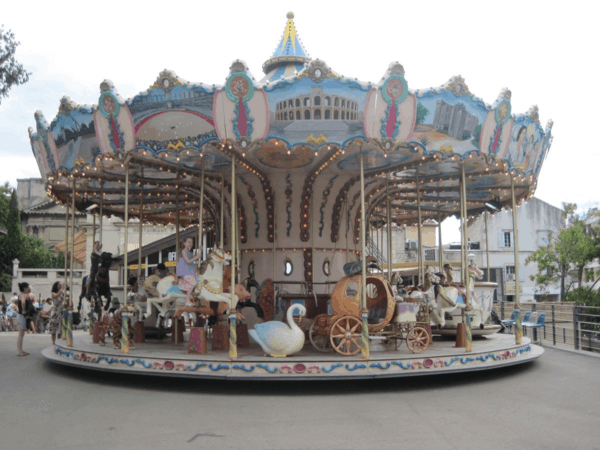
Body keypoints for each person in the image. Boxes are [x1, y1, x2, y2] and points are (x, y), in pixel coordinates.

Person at [16, 282, 32, 356]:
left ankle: (21, 350)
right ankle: (20, 351)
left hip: (21, 315)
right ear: (24, 288)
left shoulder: (23, 295)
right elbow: (23, 303)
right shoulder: (23, 295)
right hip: (22, 315)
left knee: (22, 334)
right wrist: (24, 310)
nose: (29, 288)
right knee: (21, 334)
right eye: (28, 287)